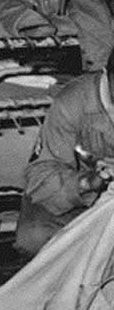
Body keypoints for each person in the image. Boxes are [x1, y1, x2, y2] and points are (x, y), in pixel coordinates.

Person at [14, 49, 114, 258]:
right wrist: (86, 183)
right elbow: (41, 175)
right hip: (77, 198)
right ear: (107, 73)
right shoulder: (71, 102)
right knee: (35, 236)